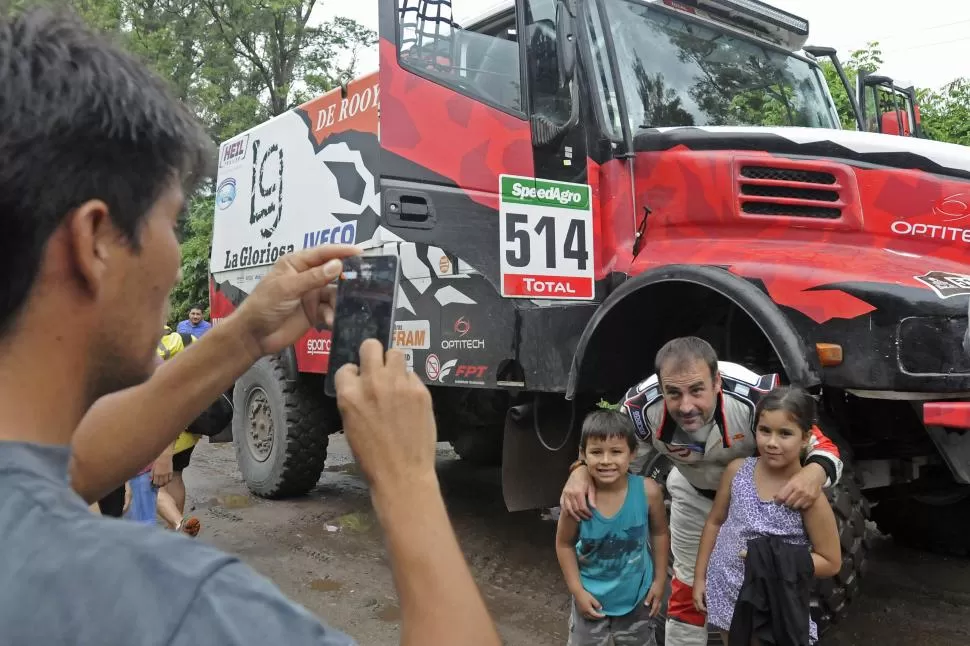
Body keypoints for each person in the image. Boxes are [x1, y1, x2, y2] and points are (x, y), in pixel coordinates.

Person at [0, 7, 500, 646]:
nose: (178, 256)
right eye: (172, 222)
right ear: (96, 239)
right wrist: (408, 481)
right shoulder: (177, 606)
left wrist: (244, 336)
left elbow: (71, 465)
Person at [560, 336, 843, 646]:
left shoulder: (756, 396)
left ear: (717, 380)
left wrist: (815, 472)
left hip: (758, 500)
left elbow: (820, 443)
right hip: (693, 492)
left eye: (697, 390)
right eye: (674, 393)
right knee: (686, 584)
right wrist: (579, 471)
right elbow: (605, 446)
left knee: (768, 592)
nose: (686, 406)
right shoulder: (641, 409)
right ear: (660, 386)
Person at [693, 386, 842, 645]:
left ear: (805, 438)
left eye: (785, 433)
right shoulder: (736, 471)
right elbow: (716, 522)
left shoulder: (806, 495)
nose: (772, 442)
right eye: (765, 431)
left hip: (776, 601)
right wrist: (699, 578)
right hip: (727, 590)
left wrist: (771, 560)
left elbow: (831, 562)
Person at [555, 409, 670, 646]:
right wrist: (578, 592)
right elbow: (564, 544)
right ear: (583, 455)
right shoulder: (577, 500)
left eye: (616, 451)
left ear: (633, 453)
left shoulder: (648, 492)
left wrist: (659, 581)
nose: (606, 460)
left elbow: (659, 533)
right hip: (591, 601)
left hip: (638, 600)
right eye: (596, 452)